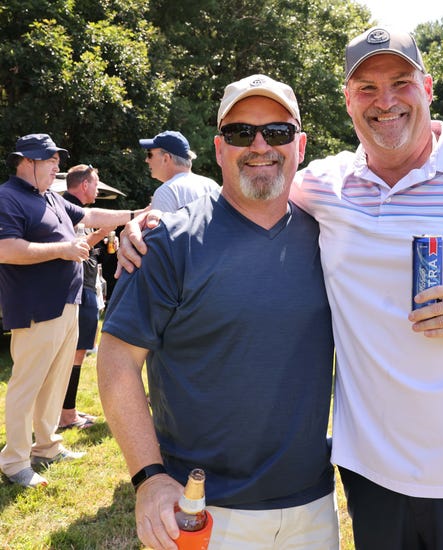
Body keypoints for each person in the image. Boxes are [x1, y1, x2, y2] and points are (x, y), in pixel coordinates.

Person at [119, 29, 443, 549]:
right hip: (369, 478)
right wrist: (147, 221)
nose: (384, 101)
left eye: (400, 82)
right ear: (348, 101)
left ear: (428, 87)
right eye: (366, 87)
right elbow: (249, 192)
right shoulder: (326, 188)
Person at [97, 75, 338, 550]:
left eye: (278, 132)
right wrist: (148, 478)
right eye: (240, 132)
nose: (260, 145)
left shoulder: (333, 237)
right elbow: (117, 360)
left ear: (301, 145)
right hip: (201, 509)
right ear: (219, 147)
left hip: (313, 507)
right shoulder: (166, 243)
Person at [0, 133, 144, 488]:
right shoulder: (7, 197)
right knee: (27, 385)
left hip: (67, 303)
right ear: (28, 161)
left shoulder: (49, 195)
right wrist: (63, 250)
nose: (57, 166)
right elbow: (7, 249)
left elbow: (91, 214)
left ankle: (47, 445)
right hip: (36, 307)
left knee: (55, 380)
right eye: (51, 160)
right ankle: (14, 461)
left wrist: (134, 214)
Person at [58, 164, 115, 430]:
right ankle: (66, 415)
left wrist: (101, 234)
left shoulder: (68, 209)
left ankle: (65, 411)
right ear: (84, 185)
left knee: (77, 351)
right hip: (77, 289)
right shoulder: (68, 209)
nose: (97, 187)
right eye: (96, 182)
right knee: (76, 352)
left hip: (84, 286)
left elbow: (79, 246)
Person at [139, 130, 220, 212]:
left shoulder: (166, 192)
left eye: (150, 155)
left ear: (166, 158)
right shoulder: (212, 186)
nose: (146, 160)